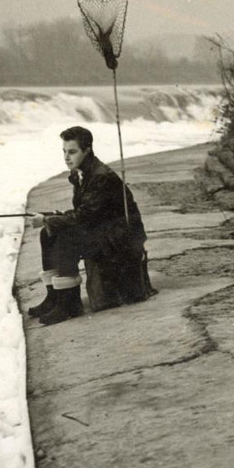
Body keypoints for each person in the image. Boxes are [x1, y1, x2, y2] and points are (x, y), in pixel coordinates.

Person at [25, 125, 149, 327]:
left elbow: (85, 216)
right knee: (47, 234)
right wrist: (53, 218)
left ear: (87, 150)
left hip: (120, 237)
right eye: (64, 152)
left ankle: (70, 304)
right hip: (104, 229)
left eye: (72, 152)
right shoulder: (81, 172)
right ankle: (55, 297)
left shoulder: (100, 176)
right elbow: (87, 212)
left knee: (65, 236)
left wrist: (48, 220)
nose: (66, 157)